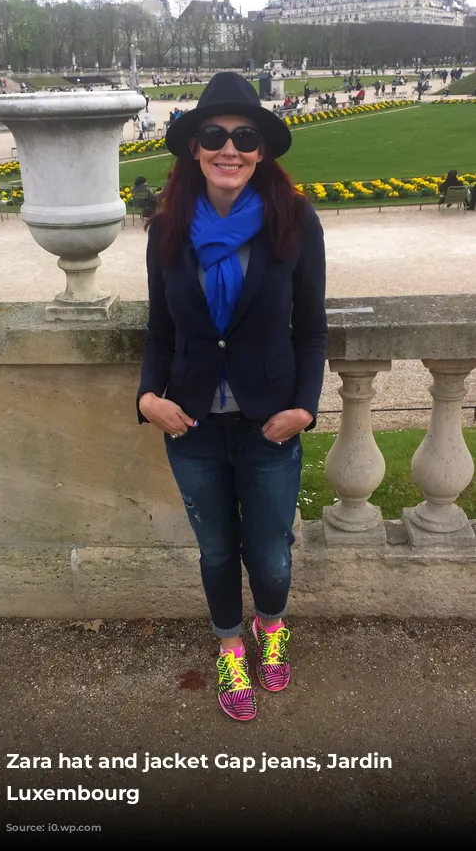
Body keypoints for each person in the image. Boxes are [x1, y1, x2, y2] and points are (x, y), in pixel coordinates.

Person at [136, 72, 327, 722]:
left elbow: (313, 325)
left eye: (245, 136)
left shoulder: (295, 220)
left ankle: (270, 625)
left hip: (269, 421)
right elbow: (161, 332)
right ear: (193, 146)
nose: (230, 148)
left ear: (261, 150)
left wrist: (305, 405)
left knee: (270, 554)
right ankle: (229, 646)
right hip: (190, 425)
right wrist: (146, 397)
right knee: (216, 551)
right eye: (214, 134)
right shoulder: (166, 229)